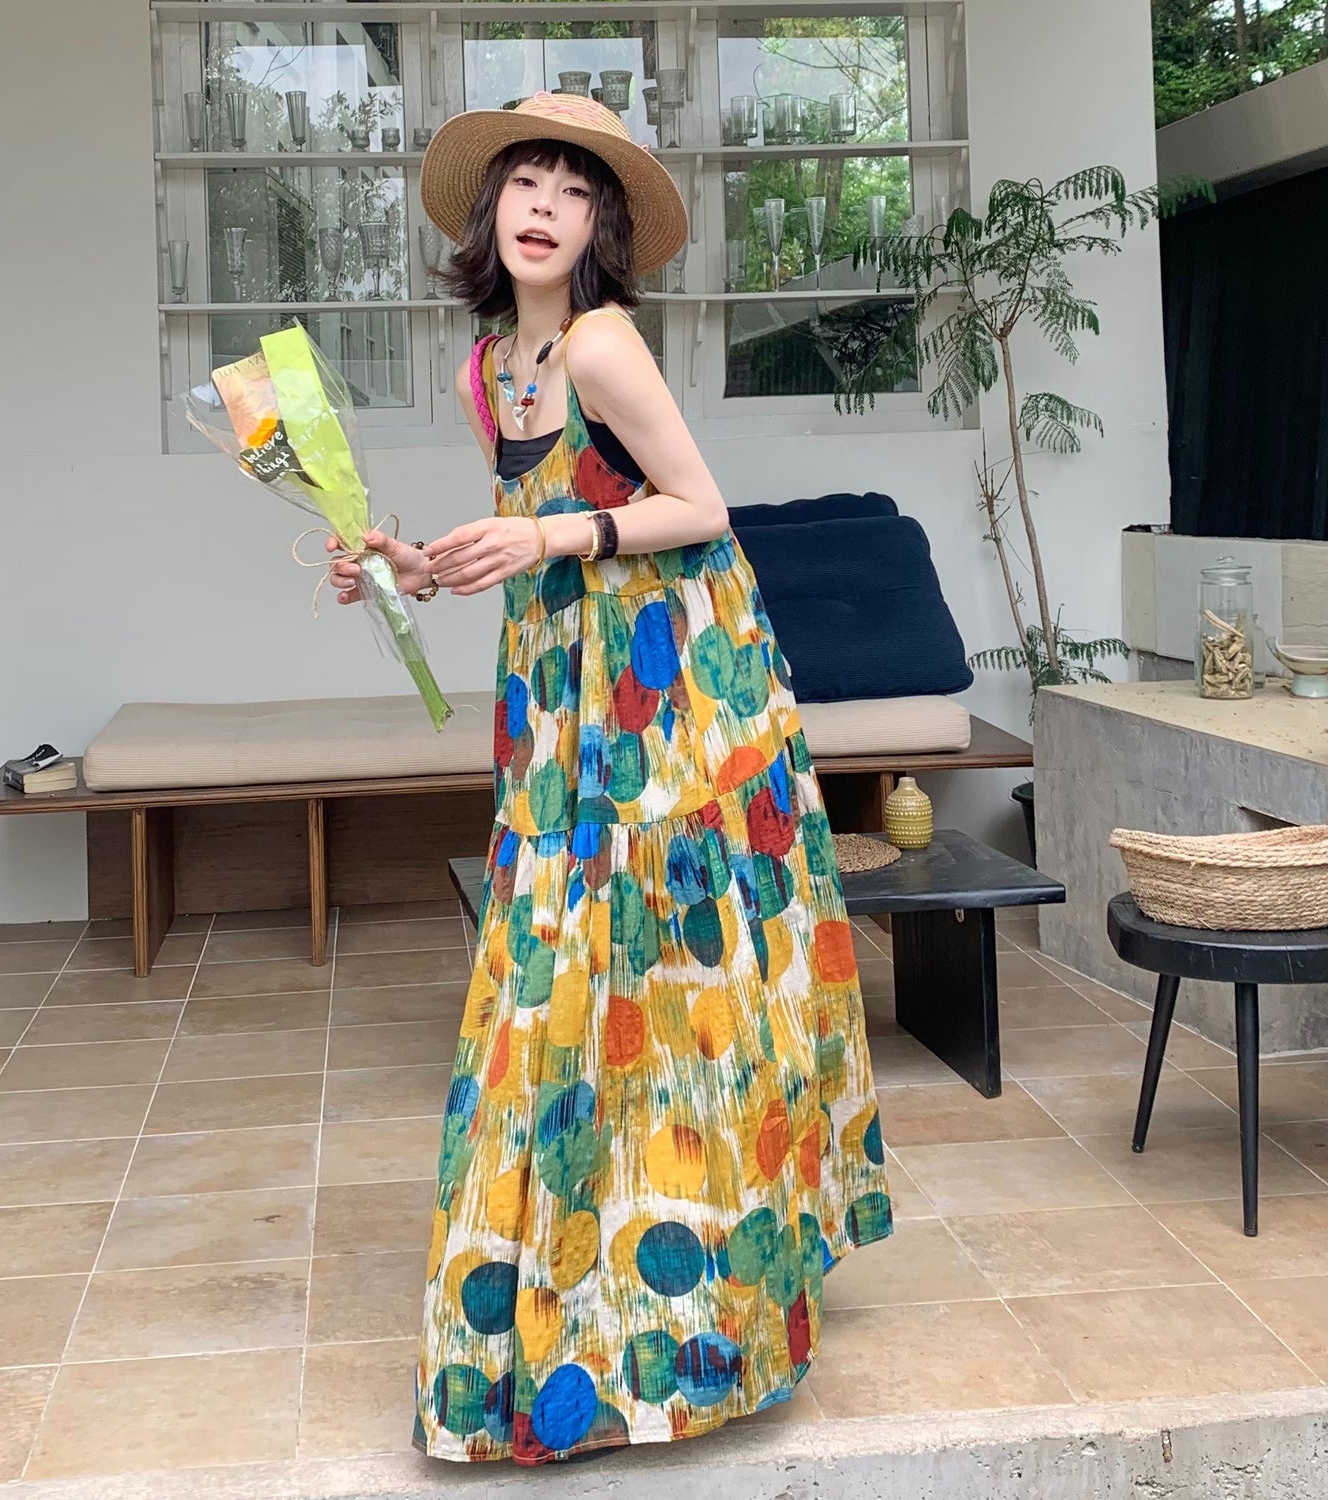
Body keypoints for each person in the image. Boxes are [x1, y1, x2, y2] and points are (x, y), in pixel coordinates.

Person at [328, 91, 890, 1467]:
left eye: (573, 191)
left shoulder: (599, 340)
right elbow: (524, 531)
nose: (543, 207)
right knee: (565, 972)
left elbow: (698, 507)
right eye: (525, 182)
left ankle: (693, 1298)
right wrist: (407, 569)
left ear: (600, 229)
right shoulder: (487, 368)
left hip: (674, 687)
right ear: (490, 210)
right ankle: (573, 1292)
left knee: (674, 973)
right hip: (559, 693)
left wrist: (557, 539)